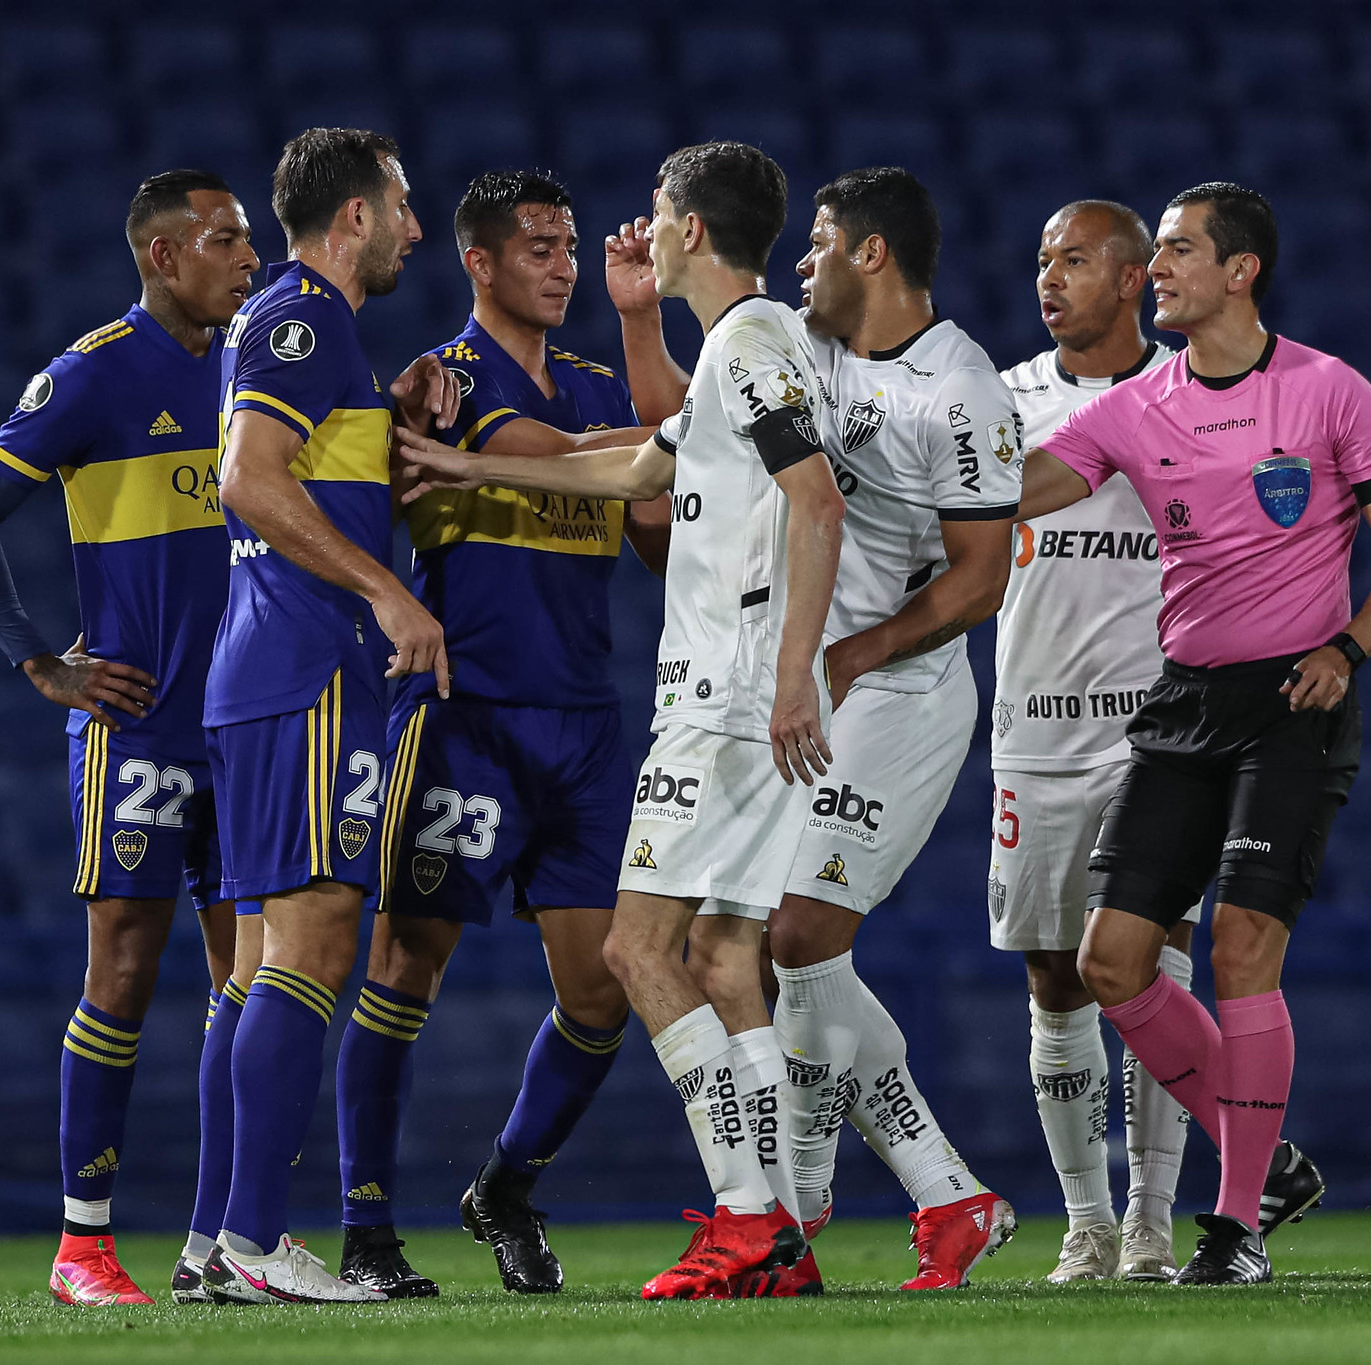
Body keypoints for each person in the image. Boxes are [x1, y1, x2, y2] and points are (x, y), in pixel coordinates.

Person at [395, 141, 846, 1300]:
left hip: (726, 699)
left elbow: (814, 500)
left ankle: (743, 1219)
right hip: (752, 699)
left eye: (658, 208)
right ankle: (782, 1226)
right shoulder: (748, 351)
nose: (642, 224)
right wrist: (453, 462)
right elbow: (641, 472)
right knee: (725, 954)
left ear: (692, 229)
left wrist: (793, 670)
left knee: (634, 950)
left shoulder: (747, 346)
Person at [1016, 183, 1371, 1285]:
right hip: (1182, 702)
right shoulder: (1133, 406)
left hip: (1291, 706)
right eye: (1153, 252)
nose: (1154, 269)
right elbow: (1016, 494)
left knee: (1242, 950)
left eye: (1175, 251)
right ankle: (1270, 1163)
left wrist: (1343, 651)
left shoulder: (1327, 392)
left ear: (1240, 271)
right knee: (1111, 963)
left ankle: (1235, 1224)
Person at [330, 169, 674, 1298]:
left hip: (583, 727)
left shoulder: (588, 380)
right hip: (464, 721)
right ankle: (367, 1228)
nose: (561, 263)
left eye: (568, 244)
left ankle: (505, 1187)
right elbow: (547, 451)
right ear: (477, 261)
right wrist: (685, 441)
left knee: (601, 993)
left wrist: (641, 346)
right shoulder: (442, 386)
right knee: (401, 968)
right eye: (537, 246)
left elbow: (661, 540)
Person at [684, 166, 1022, 1296]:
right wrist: (645, 314)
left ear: (871, 253)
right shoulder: (808, 351)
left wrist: (848, 655)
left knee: (791, 934)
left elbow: (979, 579)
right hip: (815, 687)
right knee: (779, 943)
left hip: (903, 693)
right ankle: (930, 1196)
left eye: (820, 242)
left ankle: (819, 1191)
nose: (800, 261)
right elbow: (683, 436)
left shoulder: (958, 388)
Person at [0, 169, 258, 1308]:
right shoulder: (92, 373)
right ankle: (83, 1246)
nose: (248, 259)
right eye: (225, 241)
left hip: (248, 723)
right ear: (163, 257)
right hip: (138, 727)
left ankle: (221, 1244)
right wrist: (39, 658)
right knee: (121, 969)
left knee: (249, 981)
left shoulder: (259, 362)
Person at [195, 127, 459, 1306]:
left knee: (260, 963)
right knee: (313, 944)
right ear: (354, 215)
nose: (413, 227)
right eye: (401, 208)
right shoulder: (301, 312)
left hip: (271, 667)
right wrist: (389, 590)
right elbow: (248, 476)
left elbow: (304, 460)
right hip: (306, 666)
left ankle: (218, 1242)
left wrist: (380, 403)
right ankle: (256, 1242)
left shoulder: (312, 332)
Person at [990, 200, 1195, 1282]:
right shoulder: (1004, 400)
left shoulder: (1186, 394)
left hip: (1156, 731)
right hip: (1030, 727)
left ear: (1129, 281)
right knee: (1053, 980)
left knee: (1151, 967)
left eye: (1071, 260)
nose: (1048, 278)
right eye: (1040, 260)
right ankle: (1084, 1220)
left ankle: (1152, 1220)